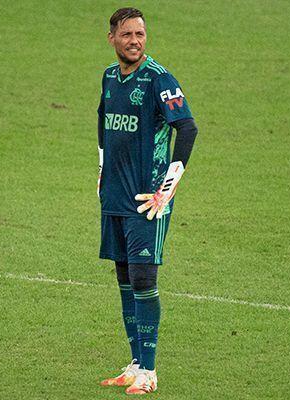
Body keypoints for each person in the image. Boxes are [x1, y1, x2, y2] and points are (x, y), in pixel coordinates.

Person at [96, 7, 199, 395]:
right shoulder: (109, 77)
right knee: (124, 277)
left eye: (140, 34)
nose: (135, 41)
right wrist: (102, 169)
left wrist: (169, 186)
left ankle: (150, 372)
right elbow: (103, 121)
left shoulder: (159, 79)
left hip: (147, 199)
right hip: (115, 197)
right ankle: (136, 363)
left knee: (143, 277)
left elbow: (186, 127)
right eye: (127, 35)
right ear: (112, 38)